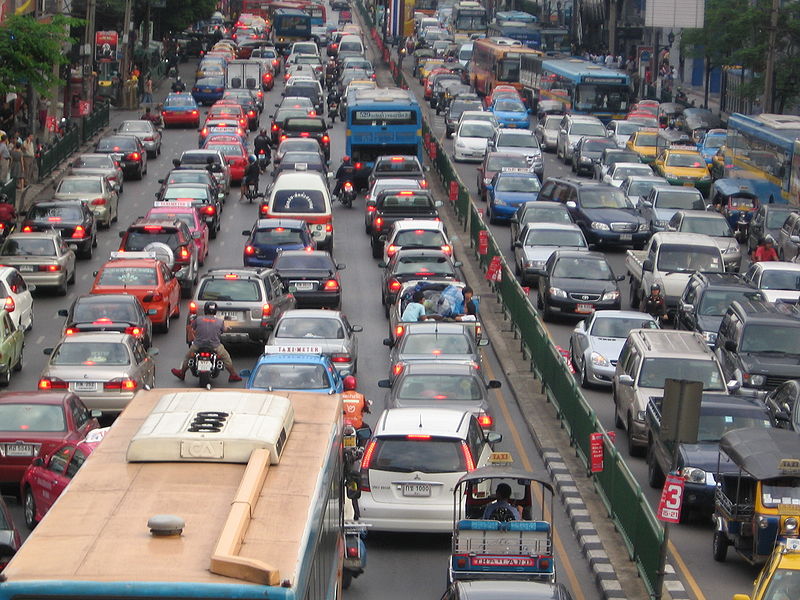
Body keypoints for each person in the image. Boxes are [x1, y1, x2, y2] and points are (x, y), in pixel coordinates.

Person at [172, 301, 242, 383]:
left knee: (188, 357)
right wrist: (227, 327)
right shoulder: (220, 321)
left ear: (205, 310)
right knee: (226, 358)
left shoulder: (198, 319)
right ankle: (233, 375)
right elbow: (224, 330)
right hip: (215, 346)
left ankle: (182, 373)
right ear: (215, 311)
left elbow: (192, 328)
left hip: (198, 345)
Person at [341, 376, 371, 443]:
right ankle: (362, 446)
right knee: (366, 429)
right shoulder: (361, 397)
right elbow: (365, 408)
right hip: (357, 425)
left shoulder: (339, 396)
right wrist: (367, 410)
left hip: (342, 425)